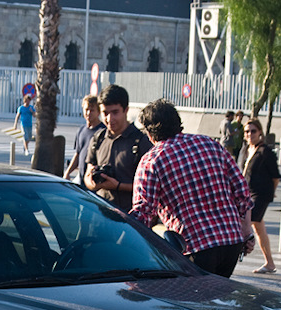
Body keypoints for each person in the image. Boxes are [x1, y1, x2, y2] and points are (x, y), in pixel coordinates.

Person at [129, 99, 254, 278]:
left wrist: (121, 237)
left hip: (194, 246)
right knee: (217, 299)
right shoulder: (210, 144)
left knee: (194, 301)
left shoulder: (151, 161)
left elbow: (143, 212)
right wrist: (247, 232)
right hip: (231, 242)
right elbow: (242, 191)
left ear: (149, 133)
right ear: (178, 122)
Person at [84, 84, 153, 212]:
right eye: (105, 113)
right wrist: (92, 183)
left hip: (130, 219)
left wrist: (118, 186)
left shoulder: (141, 141)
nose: (110, 119)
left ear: (126, 110)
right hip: (100, 214)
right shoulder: (97, 139)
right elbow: (87, 175)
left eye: (115, 112)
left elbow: (150, 187)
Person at [242, 118, 281, 274]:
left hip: (259, 195)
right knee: (259, 229)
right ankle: (270, 263)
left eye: (253, 131)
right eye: (247, 131)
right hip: (247, 194)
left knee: (245, 223)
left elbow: (275, 176)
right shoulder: (247, 150)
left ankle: (231, 257)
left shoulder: (265, 152)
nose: (250, 134)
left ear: (260, 132)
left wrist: (270, 192)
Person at [63, 94, 105, 187]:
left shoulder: (103, 132)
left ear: (98, 112)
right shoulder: (81, 130)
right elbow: (78, 154)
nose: (88, 113)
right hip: (81, 181)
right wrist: (67, 173)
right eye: (86, 109)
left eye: (92, 110)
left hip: (95, 183)